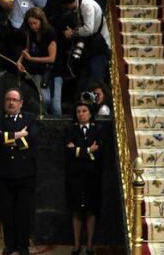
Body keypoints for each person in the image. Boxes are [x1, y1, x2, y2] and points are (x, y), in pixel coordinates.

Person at [0, 88, 38, 255]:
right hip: (4, 173)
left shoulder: (30, 119)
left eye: (14, 100)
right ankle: (10, 245)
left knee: (23, 212)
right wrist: (19, 134)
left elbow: (31, 139)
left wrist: (8, 139)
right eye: (8, 99)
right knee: (7, 212)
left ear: (21, 103)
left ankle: (23, 245)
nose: (11, 102)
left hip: (25, 174)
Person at [65, 101, 104, 255]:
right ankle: (76, 245)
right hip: (75, 175)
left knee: (90, 210)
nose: (81, 114)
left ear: (90, 113)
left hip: (92, 176)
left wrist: (78, 151)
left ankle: (89, 245)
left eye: (84, 111)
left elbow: (99, 152)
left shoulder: (97, 130)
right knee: (76, 210)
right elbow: (69, 152)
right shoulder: (71, 130)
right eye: (78, 111)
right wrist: (88, 151)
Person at [56, 0, 110, 94]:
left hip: (99, 46)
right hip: (88, 47)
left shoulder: (86, 5)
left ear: (67, 3)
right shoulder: (78, 6)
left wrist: (72, 32)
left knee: (96, 79)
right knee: (83, 80)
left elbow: (88, 30)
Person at [16, 7, 62, 115]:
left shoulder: (50, 32)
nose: (33, 26)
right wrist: (20, 61)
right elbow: (27, 49)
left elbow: (52, 58)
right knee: (44, 100)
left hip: (54, 71)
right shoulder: (31, 32)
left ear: (41, 21)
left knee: (56, 106)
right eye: (30, 24)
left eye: (35, 23)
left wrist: (31, 59)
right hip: (38, 70)